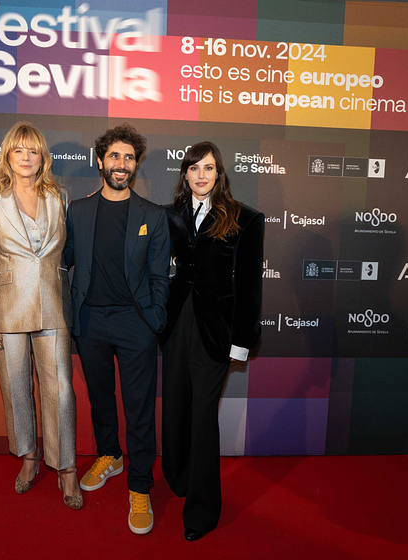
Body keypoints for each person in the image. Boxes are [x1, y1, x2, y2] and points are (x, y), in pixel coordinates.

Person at [0, 122, 82, 510]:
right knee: (16, 391)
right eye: (19, 150)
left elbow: (67, 256)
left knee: (60, 390)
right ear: (8, 156)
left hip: (52, 303)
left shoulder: (59, 196)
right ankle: (29, 458)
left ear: (42, 158)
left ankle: (66, 468)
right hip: (5, 308)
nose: (27, 157)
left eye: (33, 151)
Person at [64, 123, 170, 534]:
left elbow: (160, 277)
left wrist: (154, 320)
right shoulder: (79, 210)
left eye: (128, 157)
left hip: (135, 323)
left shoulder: (152, 215)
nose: (121, 164)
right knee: (101, 398)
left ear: (136, 164)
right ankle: (110, 454)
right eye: (114, 156)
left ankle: (140, 486)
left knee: (139, 407)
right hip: (89, 320)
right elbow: (65, 260)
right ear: (100, 160)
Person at [161, 141, 264, 541]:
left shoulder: (245, 219)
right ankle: (179, 477)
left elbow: (251, 286)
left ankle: (201, 512)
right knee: (176, 406)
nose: (201, 175)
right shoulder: (170, 216)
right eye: (193, 168)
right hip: (175, 326)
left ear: (219, 173)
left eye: (209, 168)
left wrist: (242, 341)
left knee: (203, 418)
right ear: (184, 174)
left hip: (215, 331)